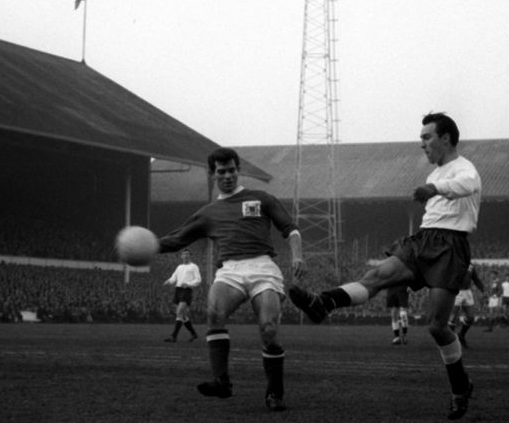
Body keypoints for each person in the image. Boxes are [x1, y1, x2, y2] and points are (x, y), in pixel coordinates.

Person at [289, 112, 481, 420]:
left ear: (446, 138)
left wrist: (433, 190)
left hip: (451, 247)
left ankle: (460, 385)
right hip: (424, 240)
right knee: (375, 276)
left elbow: (466, 185)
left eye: (426, 137)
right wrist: (432, 189)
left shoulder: (465, 169)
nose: (422, 144)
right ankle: (322, 303)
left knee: (436, 326)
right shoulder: (435, 173)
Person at [156, 147, 306, 412]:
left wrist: (297, 256)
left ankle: (274, 392)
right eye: (221, 171)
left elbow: (290, 229)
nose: (227, 176)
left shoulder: (261, 198)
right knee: (214, 312)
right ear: (213, 174)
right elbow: (175, 240)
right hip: (230, 270)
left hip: (263, 266)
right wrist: (146, 247)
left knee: (269, 329)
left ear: (239, 170)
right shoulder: (208, 213)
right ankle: (221, 381)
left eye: (232, 170)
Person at [163, 248, 202, 342]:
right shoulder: (179, 267)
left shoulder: (194, 266)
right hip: (178, 290)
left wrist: (188, 284)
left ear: (190, 256)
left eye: (188, 254)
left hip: (187, 290)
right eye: (184, 254)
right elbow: (174, 278)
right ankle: (194, 334)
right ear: (181, 256)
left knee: (179, 312)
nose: (186, 255)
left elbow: (198, 280)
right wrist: (169, 281)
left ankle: (173, 336)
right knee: (182, 315)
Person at [448, 263, 485, 348]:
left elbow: (476, 279)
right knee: (453, 317)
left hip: (467, 292)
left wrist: (483, 289)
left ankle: (461, 335)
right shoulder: (453, 263)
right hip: (456, 292)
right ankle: (450, 342)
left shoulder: (470, 265)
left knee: (471, 317)